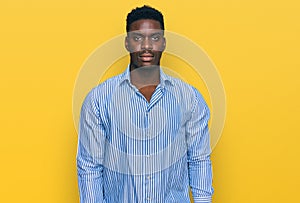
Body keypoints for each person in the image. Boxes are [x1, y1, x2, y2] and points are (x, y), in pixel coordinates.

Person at [77, 5, 214, 203]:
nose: (147, 46)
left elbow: (199, 160)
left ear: (164, 43)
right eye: (138, 38)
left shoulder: (189, 98)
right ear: (127, 43)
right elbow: (89, 167)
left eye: (155, 38)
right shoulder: (99, 100)